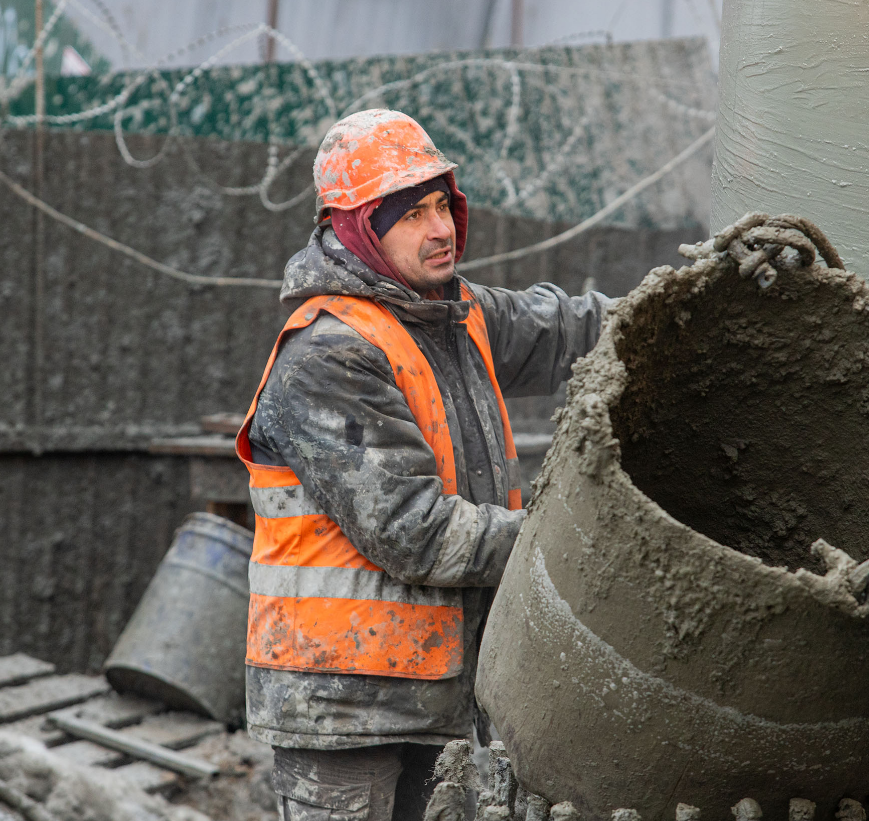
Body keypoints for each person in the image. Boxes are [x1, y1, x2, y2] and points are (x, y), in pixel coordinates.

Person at [235, 109, 611, 821]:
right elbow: (414, 531)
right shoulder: (328, 353)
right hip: (342, 706)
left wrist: (697, 297)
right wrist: (570, 537)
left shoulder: (454, 317)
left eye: (443, 205)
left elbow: (572, 330)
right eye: (412, 215)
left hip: (435, 695)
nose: (440, 229)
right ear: (360, 228)